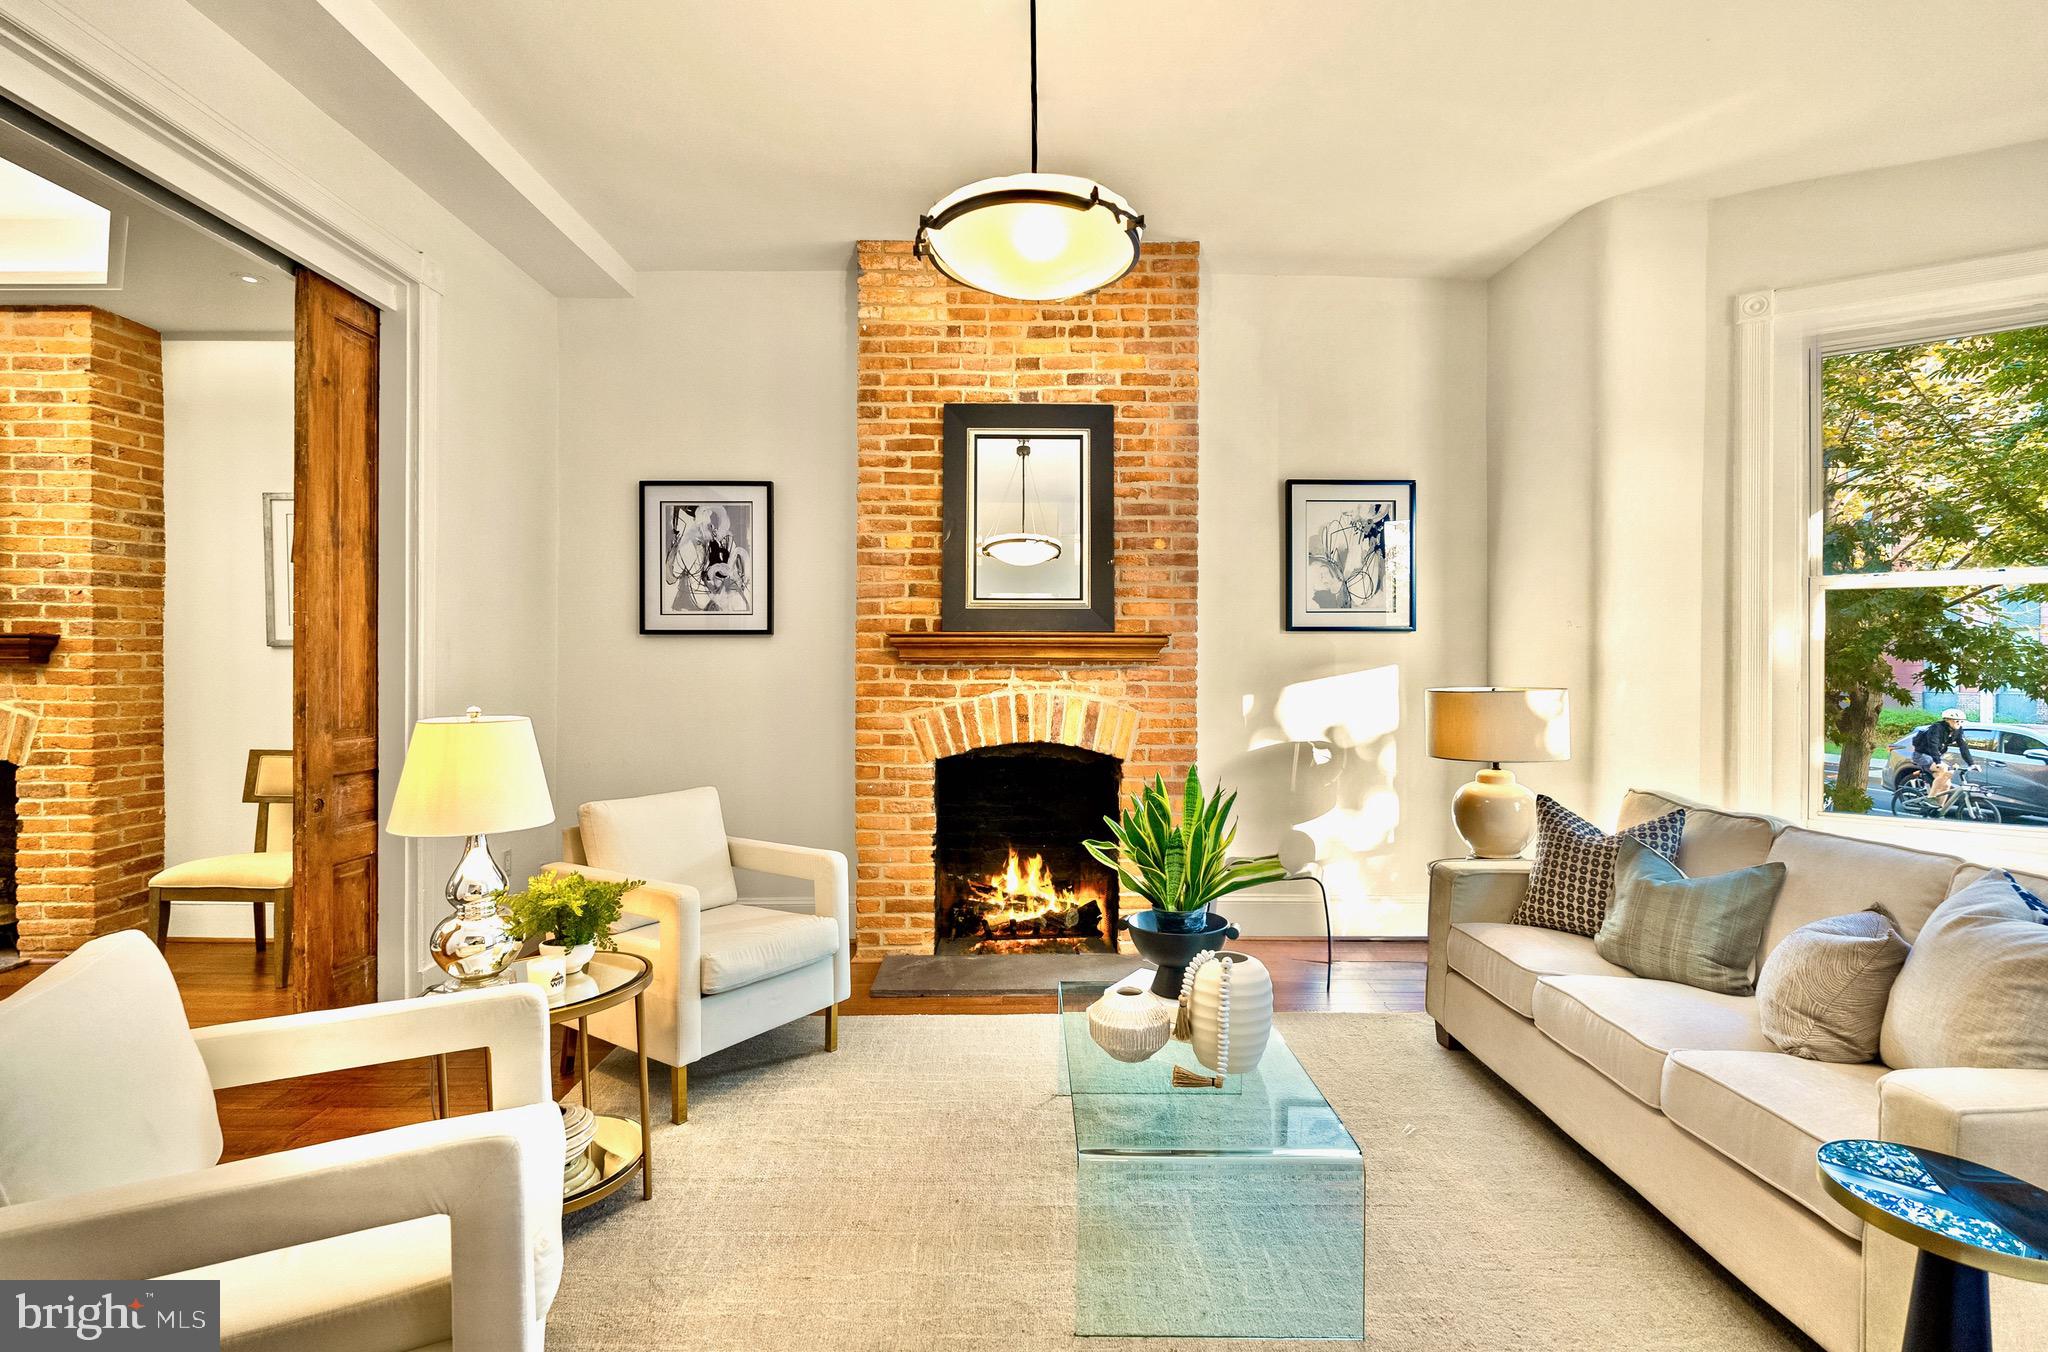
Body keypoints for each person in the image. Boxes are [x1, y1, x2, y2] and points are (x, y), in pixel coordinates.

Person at [1909, 708, 1975, 799]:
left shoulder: (1958, 730)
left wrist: (1972, 763)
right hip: (1922, 755)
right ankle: (1931, 798)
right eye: (1957, 721)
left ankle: (1940, 810)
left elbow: (1963, 747)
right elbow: (1933, 745)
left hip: (1934, 757)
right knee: (1944, 769)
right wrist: (1938, 762)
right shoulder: (1936, 728)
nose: (1959, 723)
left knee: (1946, 784)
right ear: (1948, 720)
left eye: (1962, 721)